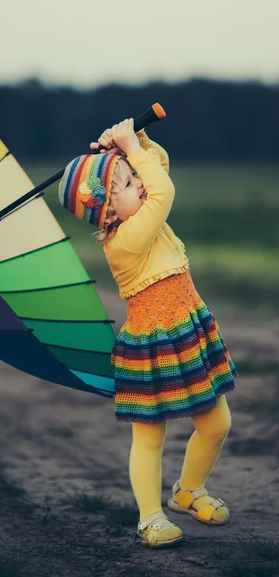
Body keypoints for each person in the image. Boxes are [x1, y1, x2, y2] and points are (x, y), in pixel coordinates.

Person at [58, 118, 238, 549]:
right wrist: (127, 153)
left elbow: (159, 168)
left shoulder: (142, 213)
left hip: (187, 331)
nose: (138, 182)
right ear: (108, 212)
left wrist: (136, 142)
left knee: (217, 423)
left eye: (134, 176)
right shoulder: (126, 240)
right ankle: (150, 517)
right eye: (124, 183)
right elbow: (164, 190)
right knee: (149, 435)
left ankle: (187, 492)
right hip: (151, 345)